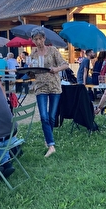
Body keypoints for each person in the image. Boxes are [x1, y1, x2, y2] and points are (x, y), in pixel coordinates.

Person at [29, 27, 69, 158]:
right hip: (40, 87)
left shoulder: (52, 50)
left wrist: (56, 69)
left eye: (40, 38)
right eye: (35, 39)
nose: (38, 41)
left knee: (52, 116)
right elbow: (31, 73)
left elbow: (65, 64)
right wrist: (29, 70)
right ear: (33, 40)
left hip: (54, 86)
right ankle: (51, 145)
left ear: (44, 39)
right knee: (43, 116)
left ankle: (48, 139)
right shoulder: (33, 55)